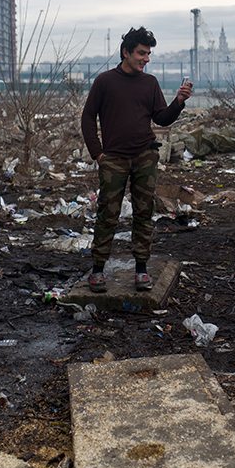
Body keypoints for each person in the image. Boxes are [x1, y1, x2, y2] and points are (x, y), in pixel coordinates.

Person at [80, 26, 193, 291]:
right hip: (114, 159)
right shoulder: (105, 82)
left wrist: (178, 101)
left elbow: (161, 118)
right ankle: (97, 270)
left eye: (149, 54)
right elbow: (87, 117)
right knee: (108, 213)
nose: (146, 58)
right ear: (126, 52)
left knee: (144, 213)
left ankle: (141, 270)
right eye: (142, 53)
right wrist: (98, 154)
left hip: (144, 156)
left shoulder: (149, 83)